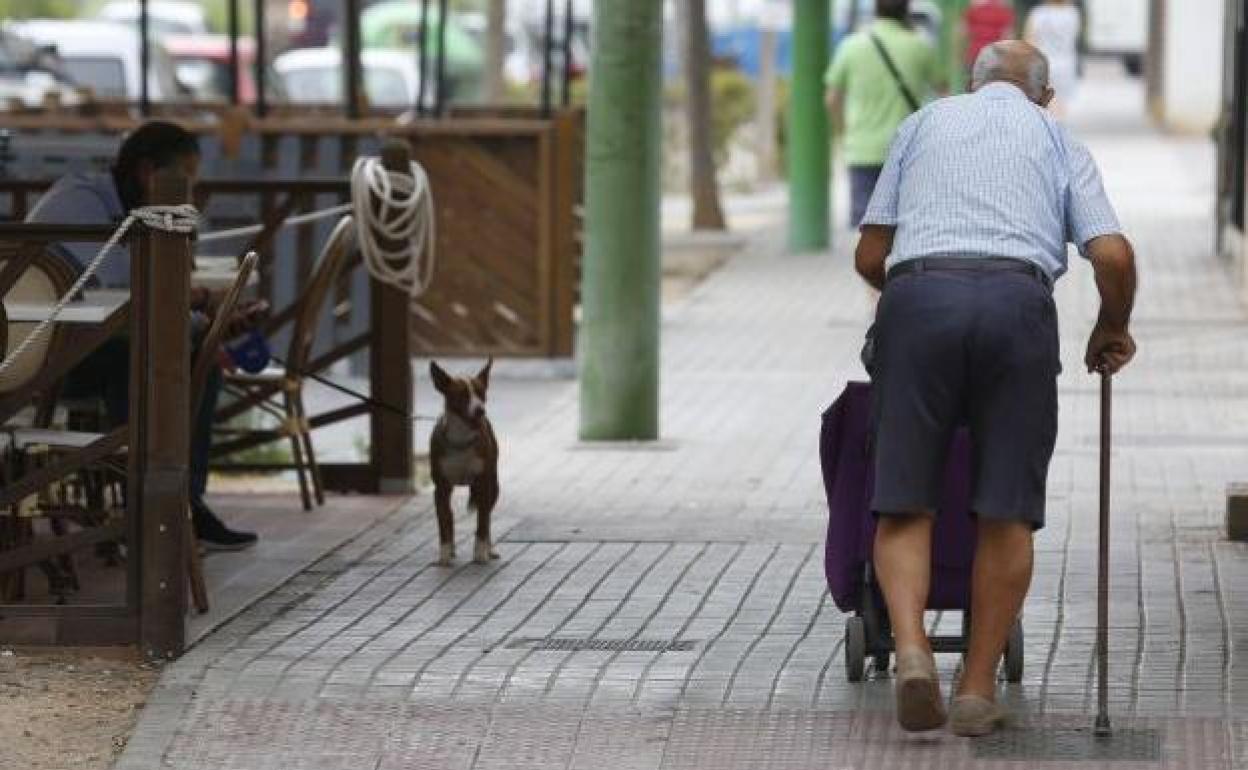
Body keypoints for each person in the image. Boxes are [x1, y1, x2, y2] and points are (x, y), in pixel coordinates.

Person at [854, 41, 1137, 736]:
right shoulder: (1055, 136)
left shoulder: (923, 124)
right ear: (1043, 96)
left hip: (921, 295)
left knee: (904, 504)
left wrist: (919, 304)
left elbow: (869, 254)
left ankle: (914, 651)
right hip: (1019, 307)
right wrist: (1111, 326)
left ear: (970, 84)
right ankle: (977, 689)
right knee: (1007, 510)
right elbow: (1113, 253)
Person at [27, 121, 260, 551]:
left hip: (84, 345)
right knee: (145, 361)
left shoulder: (131, 210)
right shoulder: (81, 204)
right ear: (147, 171)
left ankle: (180, 504)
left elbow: (142, 297)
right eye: (184, 180)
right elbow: (126, 294)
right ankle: (150, 511)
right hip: (38, 362)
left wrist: (206, 319)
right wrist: (202, 303)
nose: (190, 192)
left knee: (194, 359)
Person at [825, 0, 942, 229]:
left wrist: (843, 131)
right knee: (905, 225)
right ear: (906, 11)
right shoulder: (920, 46)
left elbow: (832, 98)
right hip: (909, 150)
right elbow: (943, 94)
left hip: (862, 148)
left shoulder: (851, 46)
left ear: (875, 10)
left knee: (866, 229)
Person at [1025, 0, 1081, 117]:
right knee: (1061, 105)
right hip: (1066, 64)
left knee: (1044, 105)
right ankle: (1058, 131)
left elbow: (1029, 41)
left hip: (1043, 64)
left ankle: (1046, 132)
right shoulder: (1072, 13)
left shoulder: (1038, 13)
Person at [963, 0, 1016, 87]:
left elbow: (964, 31)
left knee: (973, 86)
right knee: (993, 86)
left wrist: (962, 53)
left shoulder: (974, 5)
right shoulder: (1003, 7)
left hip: (975, 53)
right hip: (996, 55)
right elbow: (1008, 35)